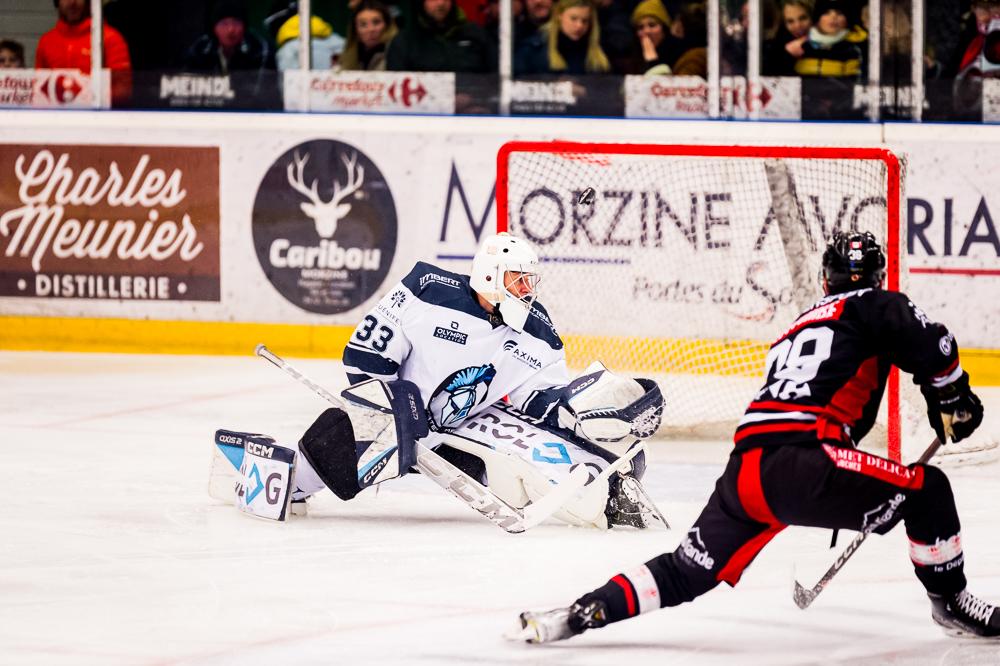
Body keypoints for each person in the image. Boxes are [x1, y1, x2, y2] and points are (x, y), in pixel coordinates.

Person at [513, 230, 998, 641]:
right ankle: (951, 602)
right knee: (929, 491)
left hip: (746, 469)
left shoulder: (796, 328)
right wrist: (953, 397)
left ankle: (579, 613)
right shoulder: (876, 303)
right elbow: (933, 342)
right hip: (806, 461)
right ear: (878, 277)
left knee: (687, 570)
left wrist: (940, 397)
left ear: (824, 279)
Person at [288, 233, 667, 530]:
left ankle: (608, 489)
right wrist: (385, 412)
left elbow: (539, 400)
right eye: (518, 279)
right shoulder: (427, 289)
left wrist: (579, 412)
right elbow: (363, 354)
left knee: (527, 462)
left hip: (462, 428)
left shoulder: (538, 332)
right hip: (402, 414)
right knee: (338, 443)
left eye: (529, 281)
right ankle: (291, 482)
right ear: (489, 275)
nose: (527, 290)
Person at [35, 0, 132, 103]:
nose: (72, 2)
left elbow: (123, 91)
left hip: (97, 111)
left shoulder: (109, 38)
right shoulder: (47, 41)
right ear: (57, 2)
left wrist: (83, 96)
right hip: (56, 112)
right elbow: (37, 90)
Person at [386, 0, 496, 73]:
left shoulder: (476, 34)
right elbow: (398, 86)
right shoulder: (404, 41)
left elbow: (494, 76)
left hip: (475, 100)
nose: (441, 3)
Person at [514, 0, 611, 75]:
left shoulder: (598, 53)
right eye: (573, 19)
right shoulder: (533, 49)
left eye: (585, 21)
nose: (579, 26)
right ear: (559, 16)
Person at [183, 0, 274, 75]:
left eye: (236, 23)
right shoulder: (200, 50)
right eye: (224, 24)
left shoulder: (260, 49)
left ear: (244, 27)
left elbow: (263, 86)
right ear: (214, 28)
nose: (231, 30)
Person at [794, 0, 866, 79]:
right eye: (826, 13)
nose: (833, 17)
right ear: (817, 19)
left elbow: (855, 81)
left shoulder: (854, 49)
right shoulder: (800, 45)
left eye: (839, 13)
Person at [339, 0, 399, 71]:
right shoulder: (349, 56)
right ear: (355, 30)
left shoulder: (396, 52)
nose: (371, 29)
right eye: (363, 24)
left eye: (376, 22)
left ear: (387, 25)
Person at [274, 14, 346, 71]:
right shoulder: (339, 41)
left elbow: (287, 81)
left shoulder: (288, 48)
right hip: (338, 84)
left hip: (304, 85)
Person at [763, 0, 813, 76]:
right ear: (784, 23)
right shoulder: (777, 47)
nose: (797, 26)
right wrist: (787, 54)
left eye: (803, 18)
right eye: (790, 21)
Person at [629, 0, 675, 75]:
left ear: (664, 28)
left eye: (652, 25)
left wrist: (652, 59)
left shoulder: (679, 54)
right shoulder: (632, 57)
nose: (647, 31)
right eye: (640, 27)